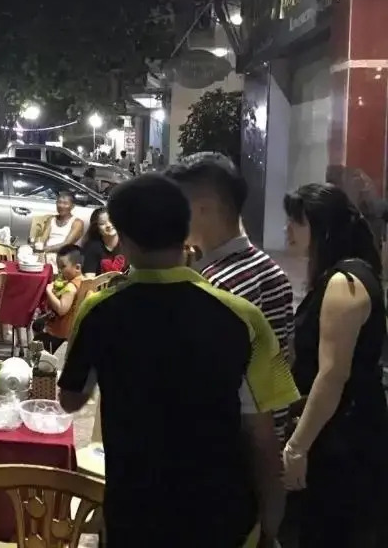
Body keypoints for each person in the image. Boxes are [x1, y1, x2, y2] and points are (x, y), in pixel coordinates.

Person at [58, 174, 298, 548]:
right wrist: (271, 522)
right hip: (223, 520)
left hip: (134, 517)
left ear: (124, 238)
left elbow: (71, 399)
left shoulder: (99, 311)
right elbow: (263, 438)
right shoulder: (242, 317)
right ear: (185, 231)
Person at [280, 184, 388, 548]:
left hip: (343, 437)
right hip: (343, 427)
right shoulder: (341, 276)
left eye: (297, 222)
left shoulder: (344, 283)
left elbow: (332, 375)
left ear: (322, 228)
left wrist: (297, 447)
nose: (287, 229)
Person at [166, 153, 294, 440]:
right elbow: (287, 357)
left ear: (203, 208)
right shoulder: (271, 269)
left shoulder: (215, 285)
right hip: (270, 435)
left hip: (229, 444)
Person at [37, 244, 86, 352]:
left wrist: (49, 291)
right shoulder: (84, 281)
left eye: (63, 267)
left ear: (77, 268)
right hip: (74, 331)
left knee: (36, 338)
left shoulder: (71, 287)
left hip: (59, 334)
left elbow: (61, 309)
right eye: (58, 267)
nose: (60, 271)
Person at [80, 207, 126, 275]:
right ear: (96, 228)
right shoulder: (92, 247)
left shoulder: (128, 243)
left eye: (111, 220)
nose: (108, 225)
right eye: (102, 223)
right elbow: (89, 278)